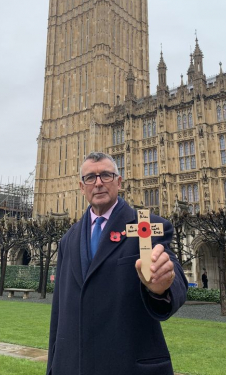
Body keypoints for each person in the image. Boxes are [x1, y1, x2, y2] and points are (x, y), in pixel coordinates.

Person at [46, 152, 188, 375]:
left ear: (119, 182)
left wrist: (162, 288)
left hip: (127, 364)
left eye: (106, 175)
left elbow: (174, 275)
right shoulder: (68, 239)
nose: (99, 183)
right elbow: (59, 312)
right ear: (82, 187)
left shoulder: (146, 226)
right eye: (90, 178)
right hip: (73, 366)